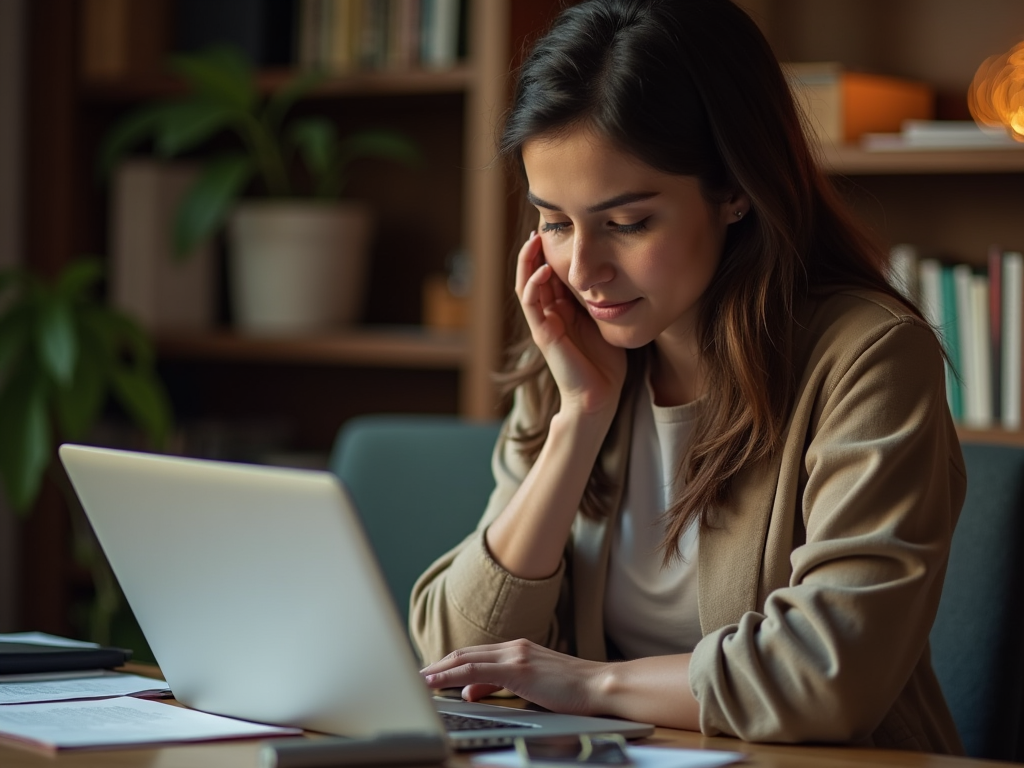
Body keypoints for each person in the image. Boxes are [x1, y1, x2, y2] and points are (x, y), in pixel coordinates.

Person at [412, 0, 965, 753]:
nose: (583, 270)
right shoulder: (574, 349)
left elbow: (827, 675)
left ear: (735, 188)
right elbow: (453, 647)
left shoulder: (869, 357)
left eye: (629, 223)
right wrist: (579, 416)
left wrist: (586, 684)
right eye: (554, 221)